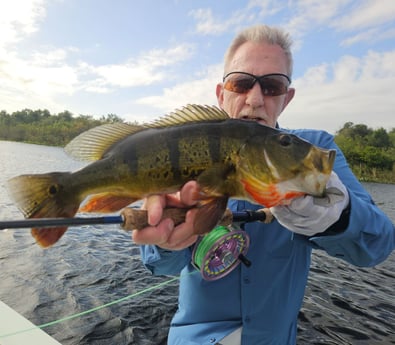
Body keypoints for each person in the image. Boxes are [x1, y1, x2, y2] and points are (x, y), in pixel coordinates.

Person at [130, 25, 395, 345]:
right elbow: (160, 265)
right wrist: (164, 241)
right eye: (240, 83)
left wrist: (337, 216)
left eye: (271, 86)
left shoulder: (312, 151)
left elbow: (377, 245)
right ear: (221, 92)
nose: (254, 100)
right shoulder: (192, 146)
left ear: (287, 97)